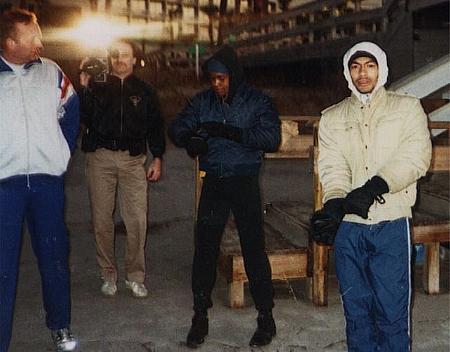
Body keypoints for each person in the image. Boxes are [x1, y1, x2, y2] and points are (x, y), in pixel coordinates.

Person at [311, 42, 432, 351]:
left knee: (391, 312)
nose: (362, 73)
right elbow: (332, 165)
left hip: (390, 223)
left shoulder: (406, 108)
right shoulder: (333, 117)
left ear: (382, 68)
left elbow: (416, 156)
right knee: (357, 313)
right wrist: (335, 203)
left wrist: (376, 186)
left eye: (369, 65)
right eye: (355, 66)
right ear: (347, 72)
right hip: (350, 229)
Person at [168, 45, 281, 348]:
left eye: (222, 78)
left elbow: (272, 138)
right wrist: (188, 139)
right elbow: (178, 126)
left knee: (253, 249)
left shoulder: (257, 101)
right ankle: (199, 316)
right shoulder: (203, 101)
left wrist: (232, 133)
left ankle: (266, 317)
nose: (216, 84)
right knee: (204, 248)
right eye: (212, 79)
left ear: (234, 75)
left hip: (244, 181)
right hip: (214, 182)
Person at [0, 9, 79, 352]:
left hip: (47, 184)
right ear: (9, 42)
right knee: (2, 267)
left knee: (55, 257)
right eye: (32, 38)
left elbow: (70, 115)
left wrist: (58, 154)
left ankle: (60, 327)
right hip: (5, 187)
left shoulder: (53, 73)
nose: (40, 43)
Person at [79, 39, 165, 298]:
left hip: (132, 160)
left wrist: (158, 157)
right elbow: (83, 117)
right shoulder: (97, 86)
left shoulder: (145, 90)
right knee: (102, 220)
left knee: (137, 219)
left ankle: (135, 276)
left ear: (133, 58)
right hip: (100, 158)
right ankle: (108, 274)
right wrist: (83, 86)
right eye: (115, 54)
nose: (119, 59)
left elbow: (156, 125)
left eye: (125, 54)